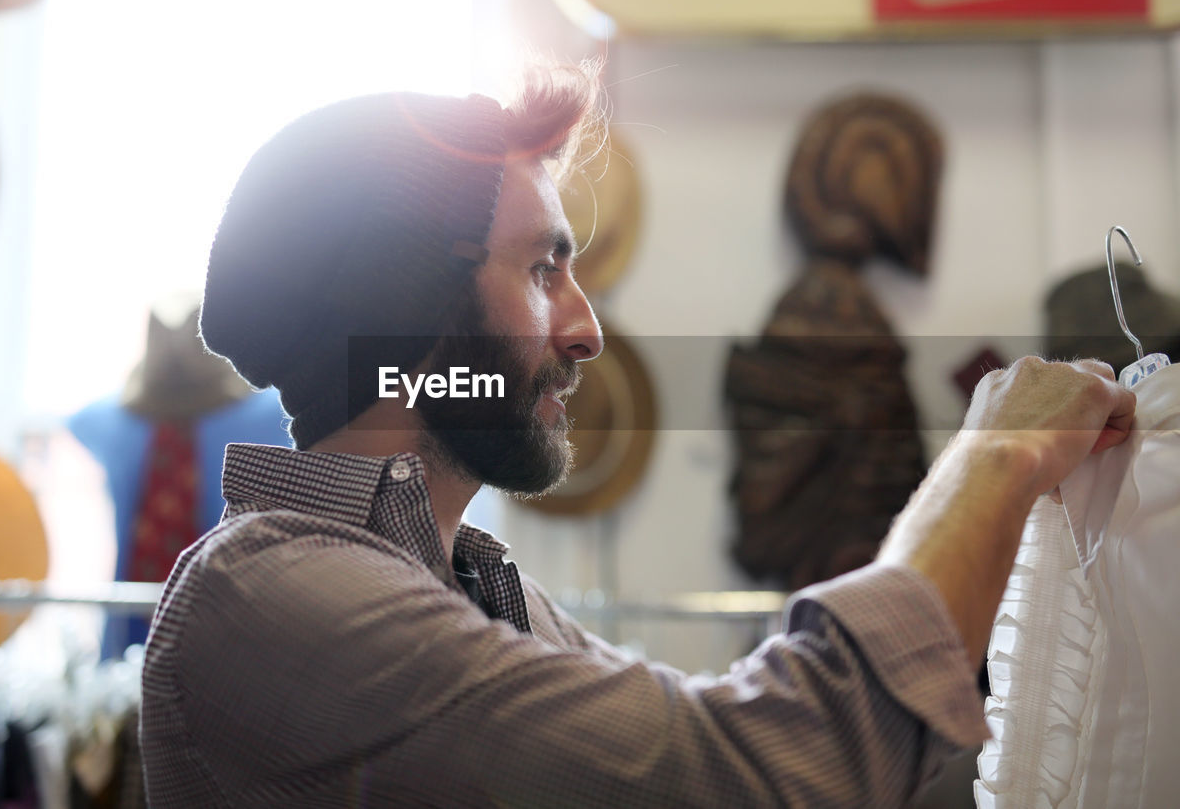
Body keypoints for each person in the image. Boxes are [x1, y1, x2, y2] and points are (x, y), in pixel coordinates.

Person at [139, 62, 1136, 807]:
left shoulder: (478, 586)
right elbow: (743, 774)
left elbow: (743, 734)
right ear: (409, 315)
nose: (585, 329)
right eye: (540, 271)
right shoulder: (269, 597)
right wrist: (990, 463)